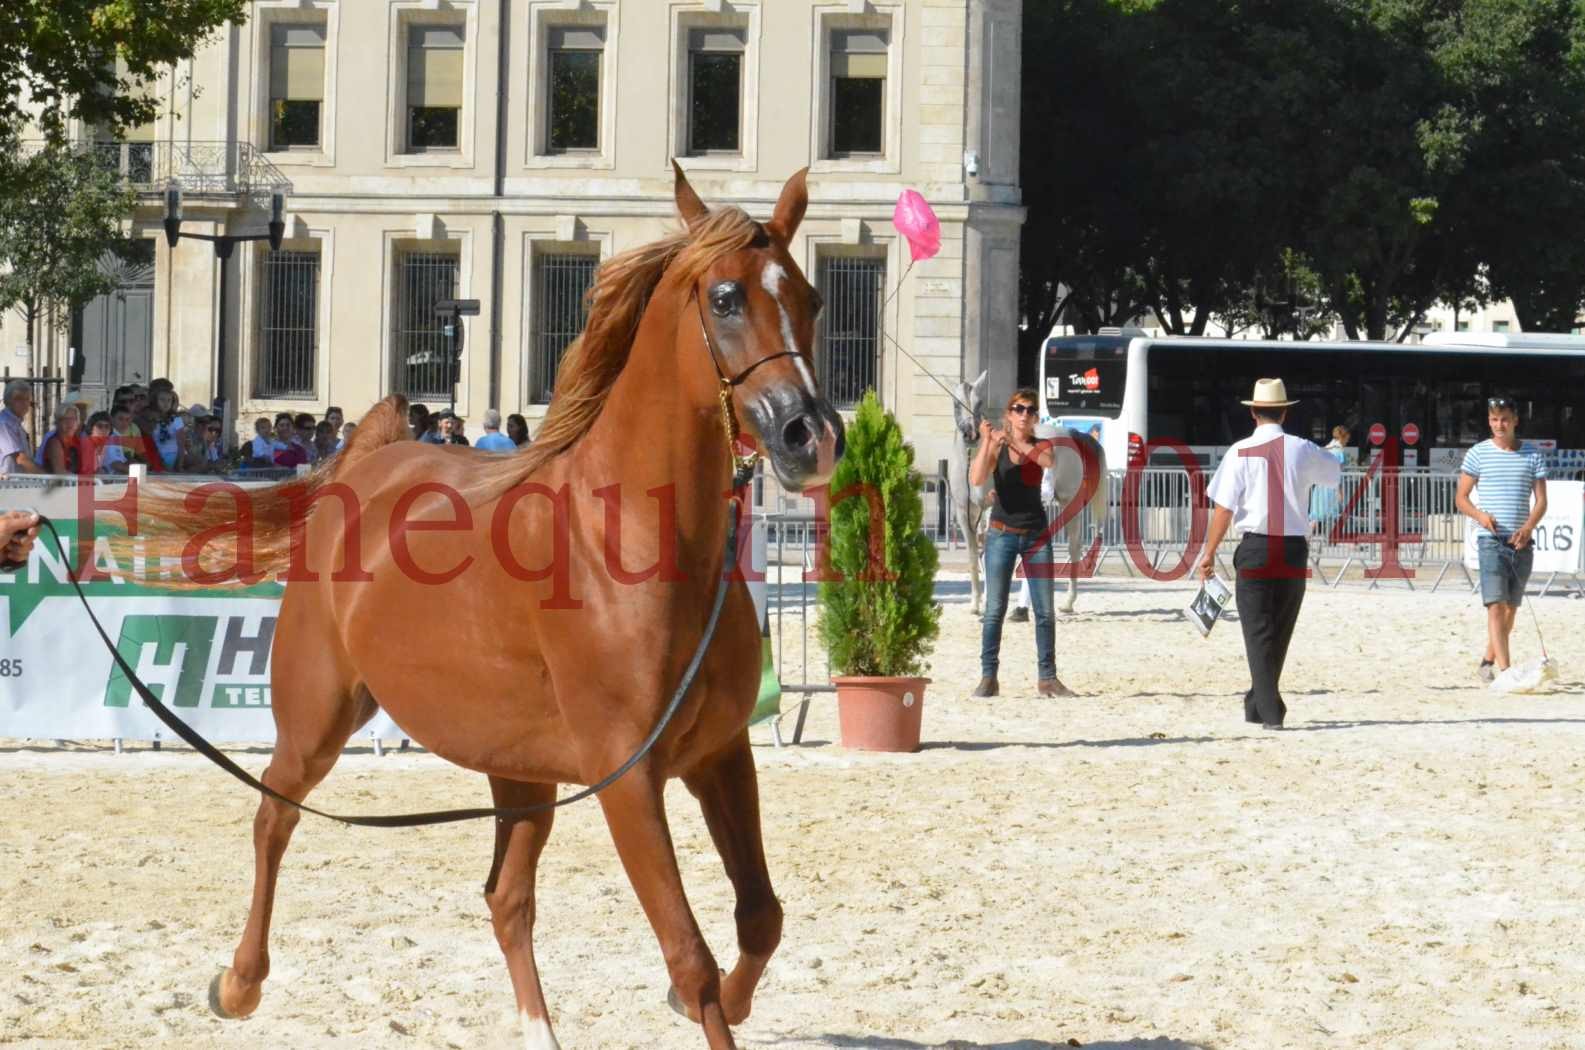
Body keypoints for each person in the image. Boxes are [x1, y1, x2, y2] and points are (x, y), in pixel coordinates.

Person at [1198, 378, 1342, 730]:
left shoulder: (1239, 451)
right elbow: (1334, 472)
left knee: (1258, 630)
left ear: (1253, 412)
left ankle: (1270, 711)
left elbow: (1223, 509)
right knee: (1280, 629)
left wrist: (1209, 551)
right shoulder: (1303, 448)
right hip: (1293, 547)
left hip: (1257, 545)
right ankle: (1257, 703)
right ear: (1284, 411)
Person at [968, 388, 1070, 698]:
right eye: (1018, 408)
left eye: (1029, 410)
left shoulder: (1042, 445)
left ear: (1035, 416)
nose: (1024, 414)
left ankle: (1047, 678)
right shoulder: (998, 445)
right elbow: (977, 478)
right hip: (1001, 533)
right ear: (1009, 413)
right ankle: (989, 677)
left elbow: (1047, 461)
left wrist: (1011, 440)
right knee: (995, 609)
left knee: (1045, 611)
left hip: (1036, 535)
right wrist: (987, 441)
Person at [1455, 395, 1548, 683]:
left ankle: (1487, 660)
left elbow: (1542, 501)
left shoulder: (1532, 455)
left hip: (1521, 542)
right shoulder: (1477, 453)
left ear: (1515, 420)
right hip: (1490, 540)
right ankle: (1506, 672)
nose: (1499, 424)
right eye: (1494, 419)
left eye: (1504, 419)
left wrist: (1529, 527)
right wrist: (1481, 516)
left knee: (1510, 609)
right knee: (1495, 605)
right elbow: (1461, 498)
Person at [1308, 424, 1350, 531]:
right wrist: (1340, 491)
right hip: (1331, 488)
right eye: (1347, 439)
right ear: (1344, 437)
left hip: (1320, 487)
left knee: (1316, 516)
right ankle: (1333, 539)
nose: (1347, 442)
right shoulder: (1339, 452)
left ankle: (1307, 538)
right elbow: (1337, 473)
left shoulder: (1328, 448)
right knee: (1333, 514)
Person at [0, 380, 43, 475]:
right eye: (18, 398)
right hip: (7, 485)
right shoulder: (4, 424)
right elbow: (20, 459)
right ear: (7, 400)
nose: (24, 403)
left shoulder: (16, 423)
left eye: (27, 399)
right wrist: (45, 478)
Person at [40, 403, 84, 474]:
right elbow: (60, 473)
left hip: (76, 482)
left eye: (73, 419)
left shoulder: (78, 441)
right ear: (57, 422)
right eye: (65, 419)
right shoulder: (54, 442)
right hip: (60, 484)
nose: (70, 423)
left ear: (78, 422)